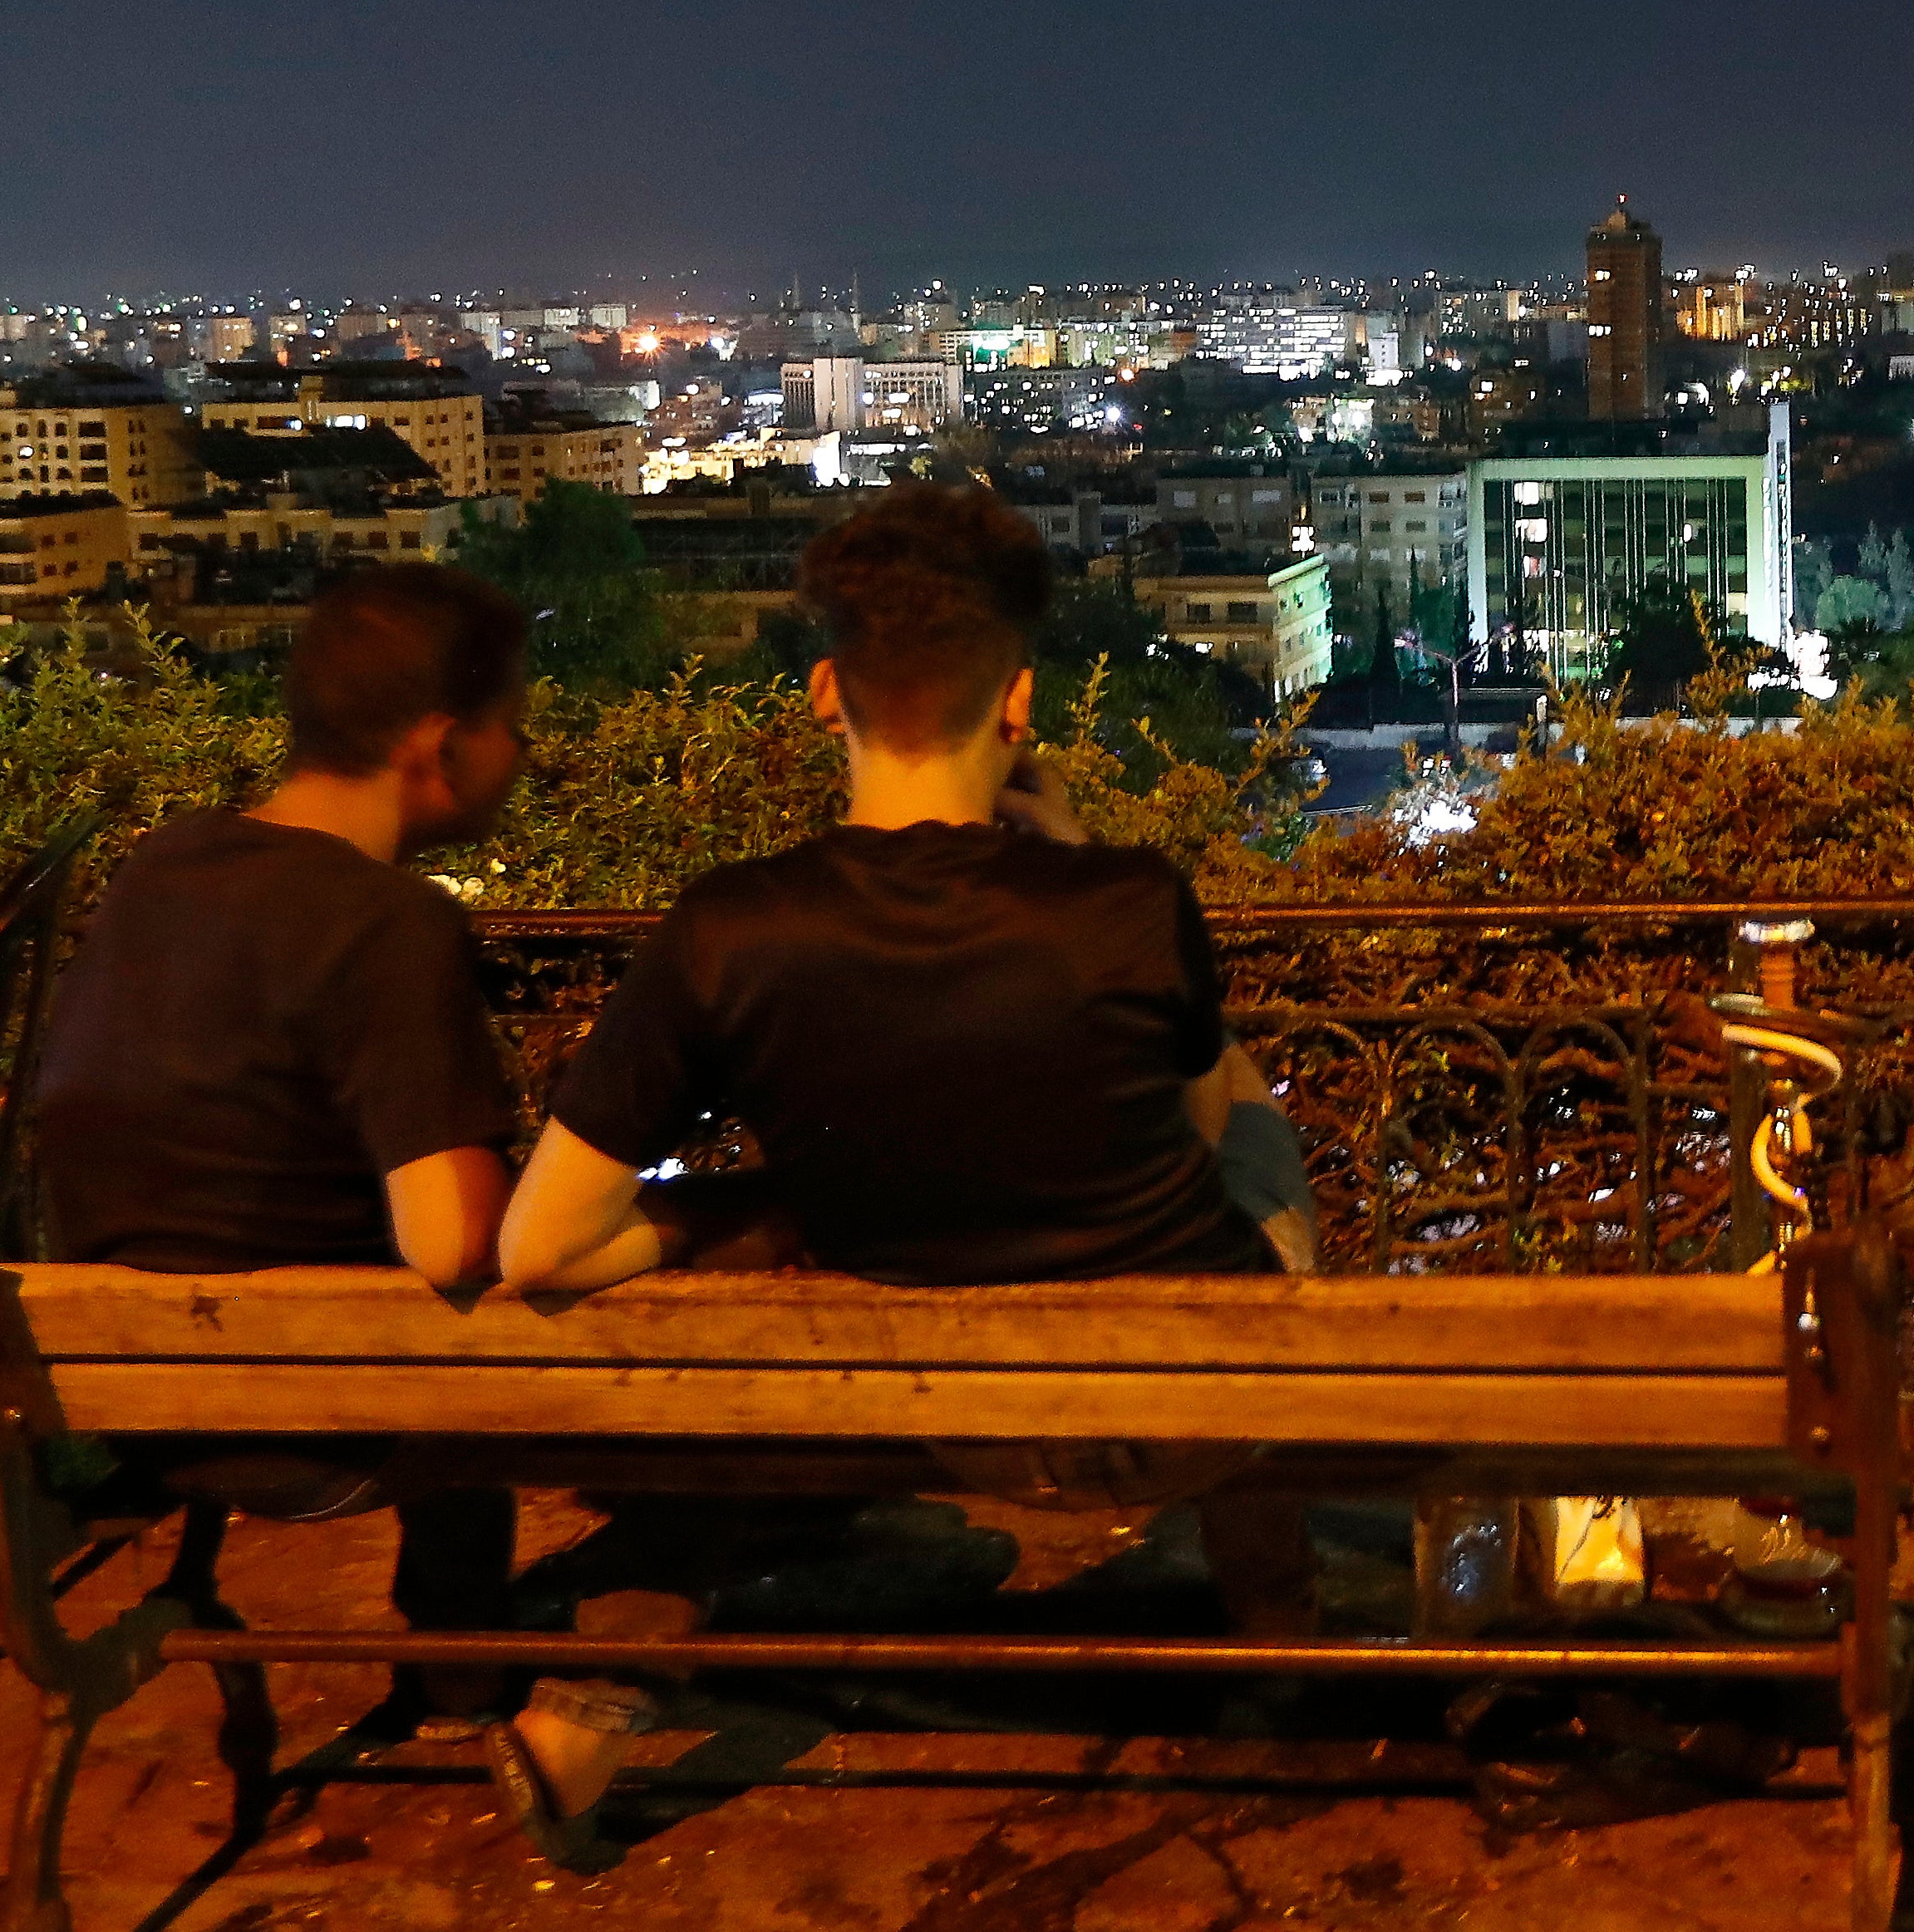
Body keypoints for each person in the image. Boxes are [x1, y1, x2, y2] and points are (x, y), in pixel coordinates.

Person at [482, 483, 1316, 1851]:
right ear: (1019, 705)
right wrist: (1075, 866)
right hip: (1192, 1403)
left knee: (752, 1301)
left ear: (825, 694)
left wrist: (756, 1214)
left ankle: (603, 1697)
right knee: (1247, 1101)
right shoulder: (1128, 903)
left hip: (936, 1412)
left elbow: (537, 1248)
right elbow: (1202, 1137)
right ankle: (1276, 1629)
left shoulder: (729, 932)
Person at [28, 563, 533, 1720]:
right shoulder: (389, 924)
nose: (524, 755)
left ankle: (462, 1651)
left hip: (129, 1405)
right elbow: (455, 1241)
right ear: (438, 745)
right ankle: (505, 1656)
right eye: (513, 726)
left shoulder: (161, 867)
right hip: (314, 1420)